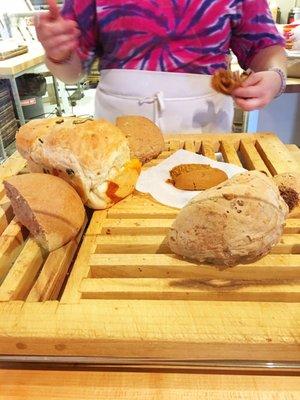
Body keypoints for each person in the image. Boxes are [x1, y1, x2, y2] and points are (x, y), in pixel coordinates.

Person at [35, 0, 287, 133]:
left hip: (205, 132)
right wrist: (59, 55)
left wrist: (275, 77)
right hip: (117, 131)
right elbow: (71, 73)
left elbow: (264, 47)